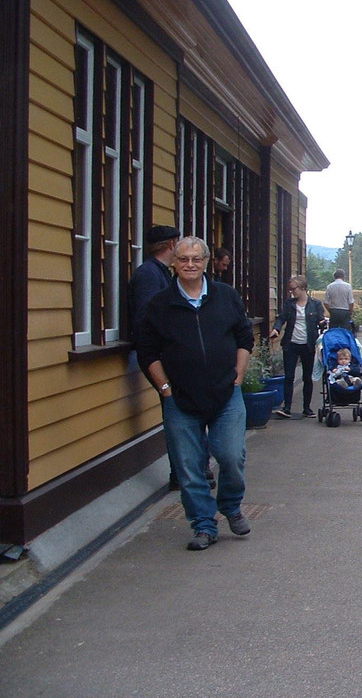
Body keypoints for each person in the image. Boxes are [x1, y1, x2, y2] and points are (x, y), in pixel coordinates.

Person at [136, 236, 254, 551]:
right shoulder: (160, 305)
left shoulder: (226, 297)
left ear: (205, 263)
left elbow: (244, 337)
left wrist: (239, 375)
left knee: (231, 456)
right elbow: (147, 352)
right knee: (189, 467)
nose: (190, 264)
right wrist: (165, 389)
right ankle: (203, 526)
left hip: (225, 394)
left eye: (196, 259)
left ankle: (230, 505)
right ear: (174, 263)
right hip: (180, 400)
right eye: (184, 259)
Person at [128, 225, 214, 492]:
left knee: (190, 411)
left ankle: (196, 467)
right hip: (163, 359)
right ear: (171, 246)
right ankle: (182, 473)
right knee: (178, 415)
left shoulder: (160, 274)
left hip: (175, 358)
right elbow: (148, 323)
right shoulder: (149, 276)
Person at [268, 275, 323, 419]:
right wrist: (276, 329)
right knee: (289, 376)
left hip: (308, 344)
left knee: (307, 377)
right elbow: (282, 318)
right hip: (291, 344)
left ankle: (307, 408)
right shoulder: (289, 304)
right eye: (290, 289)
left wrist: (324, 323)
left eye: (294, 289)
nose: (292, 292)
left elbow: (320, 320)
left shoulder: (315, 304)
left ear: (303, 288)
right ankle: (287, 408)